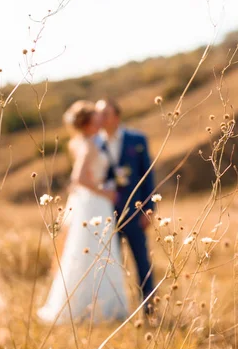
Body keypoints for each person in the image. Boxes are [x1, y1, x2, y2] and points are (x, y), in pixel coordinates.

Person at [37, 100, 129, 325]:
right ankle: (97, 309)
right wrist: (105, 193)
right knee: (94, 251)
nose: (100, 121)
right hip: (95, 204)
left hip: (91, 203)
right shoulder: (88, 145)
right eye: (96, 119)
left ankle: (94, 306)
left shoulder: (80, 142)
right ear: (87, 123)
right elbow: (79, 178)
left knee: (87, 251)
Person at [95, 99, 155, 314]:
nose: (101, 118)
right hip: (104, 215)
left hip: (134, 212)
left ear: (116, 117)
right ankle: (115, 310)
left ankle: (149, 308)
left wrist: (150, 209)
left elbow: (148, 175)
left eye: (105, 114)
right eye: (98, 114)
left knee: (141, 260)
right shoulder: (94, 143)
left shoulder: (136, 139)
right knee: (110, 264)